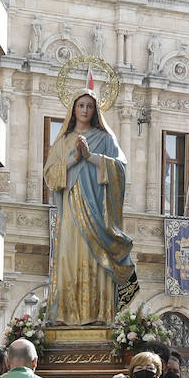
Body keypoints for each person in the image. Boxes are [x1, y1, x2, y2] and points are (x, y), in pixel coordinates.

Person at [43, 90, 135, 325]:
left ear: (95, 111)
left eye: (89, 106)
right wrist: (74, 158)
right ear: (73, 108)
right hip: (71, 211)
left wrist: (91, 156)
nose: (84, 110)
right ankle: (65, 314)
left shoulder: (105, 138)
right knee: (69, 256)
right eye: (81, 105)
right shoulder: (63, 141)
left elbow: (119, 170)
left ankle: (97, 315)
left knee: (94, 258)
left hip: (97, 211)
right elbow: (51, 175)